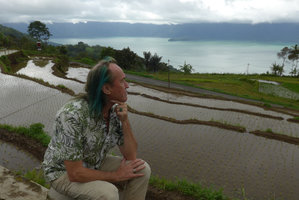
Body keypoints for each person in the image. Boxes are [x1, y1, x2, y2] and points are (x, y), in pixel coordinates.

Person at [42, 57, 151, 200]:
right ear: (106, 88)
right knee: (107, 193)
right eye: (122, 81)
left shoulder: (113, 110)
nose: (127, 86)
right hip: (63, 173)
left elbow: (131, 156)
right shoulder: (72, 115)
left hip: (94, 162)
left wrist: (124, 122)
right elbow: (75, 173)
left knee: (142, 169)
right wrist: (115, 176)